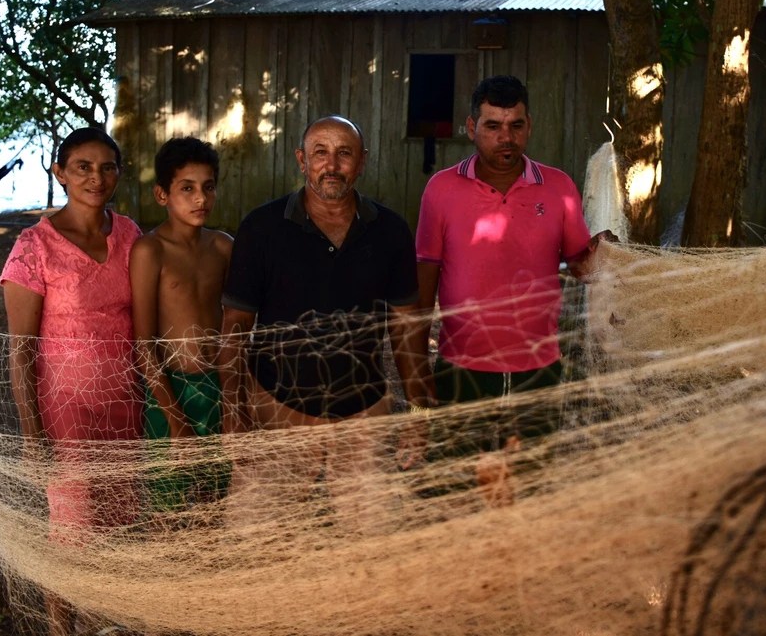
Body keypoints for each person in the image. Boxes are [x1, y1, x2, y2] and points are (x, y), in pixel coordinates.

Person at [217, 115, 432, 532]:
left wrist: (421, 415)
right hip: (278, 413)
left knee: (376, 541)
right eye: (320, 152)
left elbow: (408, 331)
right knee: (254, 543)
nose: (331, 164)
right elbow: (235, 327)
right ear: (302, 160)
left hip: (363, 416)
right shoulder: (261, 228)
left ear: (362, 161)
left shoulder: (389, 231)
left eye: (344, 153)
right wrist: (233, 409)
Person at [414, 74, 601, 505]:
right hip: (461, 366)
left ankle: (516, 568)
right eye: (493, 126)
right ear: (470, 128)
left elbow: (580, 264)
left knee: (527, 486)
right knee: (458, 486)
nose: (506, 137)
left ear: (529, 126)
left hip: (538, 365)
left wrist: (602, 253)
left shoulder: (558, 188)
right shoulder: (441, 189)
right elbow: (426, 274)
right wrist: (417, 360)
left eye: (515, 125)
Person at [0, 127, 144, 636]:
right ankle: (63, 626)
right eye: (82, 166)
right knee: (72, 527)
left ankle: (100, 620)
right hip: (66, 408)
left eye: (107, 167)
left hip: (124, 402)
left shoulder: (129, 235)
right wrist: (31, 432)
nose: (95, 177)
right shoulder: (34, 247)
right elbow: (21, 352)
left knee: (117, 520)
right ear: (59, 173)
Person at [130, 136, 233, 510]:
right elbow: (144, 343)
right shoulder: (150, 250)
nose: (200, 199)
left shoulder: (222, 247)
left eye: (208, 188)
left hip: (218, 388)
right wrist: (174, 420)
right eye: (186, 189)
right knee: (168, 504)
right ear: (162, 195)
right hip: (169, 391)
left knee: (214, 501)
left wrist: (237, 397)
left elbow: (237, 328)